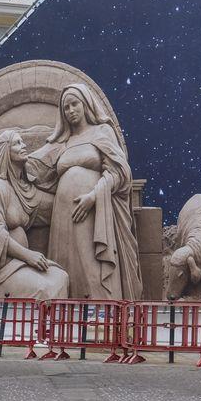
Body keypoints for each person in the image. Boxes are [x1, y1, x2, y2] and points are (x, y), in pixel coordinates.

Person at [27, 85, 142, 299]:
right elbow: (37, 167)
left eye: (74, 104)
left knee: (92, 266)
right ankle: (67, 318)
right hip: (64, 216)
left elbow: (118, 173)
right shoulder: (64, 141)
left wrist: (93, 197)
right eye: (66, 107)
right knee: (66, 266)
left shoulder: (102, 131)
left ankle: (102, 318)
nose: (70, 110)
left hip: (92, 213)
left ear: (85, 104)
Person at [0, 130, 68, 299]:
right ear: (6, 152)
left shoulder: (21, 189)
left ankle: (50, 324)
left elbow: (48, 205)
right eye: (17, 143)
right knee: (46, 289)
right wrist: (28, 255)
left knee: (61, 277)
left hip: (17, 263)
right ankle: (38, 325)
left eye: (23, 141)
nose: (24, 146)